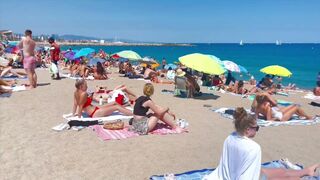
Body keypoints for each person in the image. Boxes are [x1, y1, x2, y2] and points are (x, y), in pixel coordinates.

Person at [204, 107, 319, 180]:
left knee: (281, 171)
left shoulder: (231, 136)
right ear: (247, 130)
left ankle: (306, 171)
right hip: (244, 176)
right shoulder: (253, 147)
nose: (258, 130)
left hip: (234, 173)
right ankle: (304, 174)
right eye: (256, 128)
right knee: (287, 178)